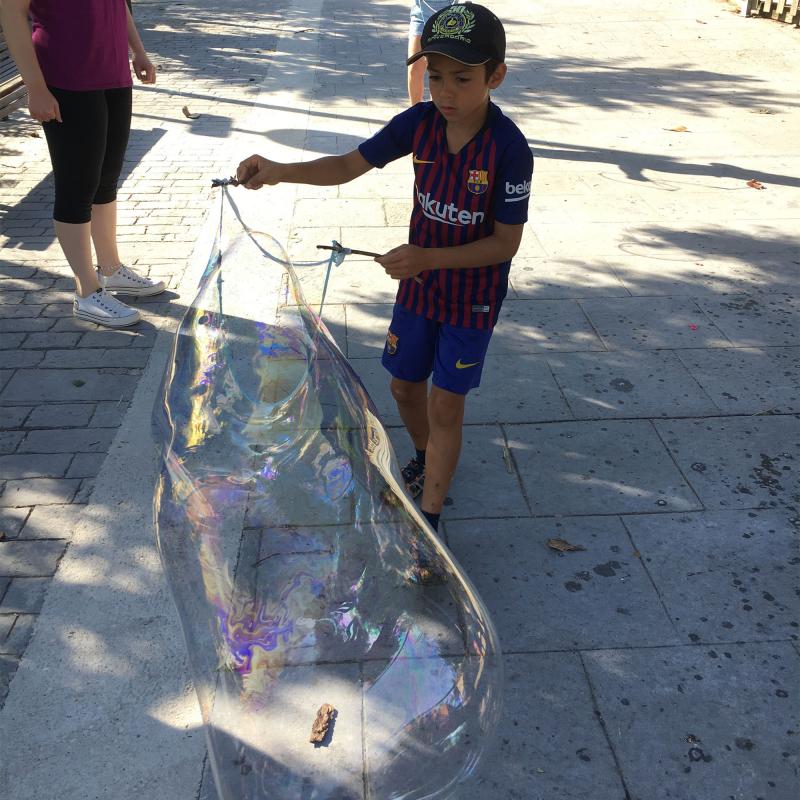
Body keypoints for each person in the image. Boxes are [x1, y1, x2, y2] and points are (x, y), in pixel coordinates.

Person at [236, 3, 533, 532]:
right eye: (435, 76)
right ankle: (425, 456)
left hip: (472, 297)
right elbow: (348, 165)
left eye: (463, 79)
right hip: (420, 287)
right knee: (402, 387)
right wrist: (279, 170)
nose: (445, 92)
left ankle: (431, 521)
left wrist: (428, 258)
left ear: (497, 76)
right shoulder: (419, 124)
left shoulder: (509, 150)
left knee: (447, 405)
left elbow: (505, 243)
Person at [0, 0, 165, 328]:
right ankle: (87, 292)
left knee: (106, 179)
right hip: (65, 77)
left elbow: (119, 6)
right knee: (77, 184)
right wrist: (35, 86)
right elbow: (11, 13)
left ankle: (111, 270)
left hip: (113, 72)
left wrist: (139, 51)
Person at [408, 0, 456, 104]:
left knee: (439, 70)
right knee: (414, 68)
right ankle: (415, 114)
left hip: (448, 15)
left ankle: (436, 113)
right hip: (420, 15)